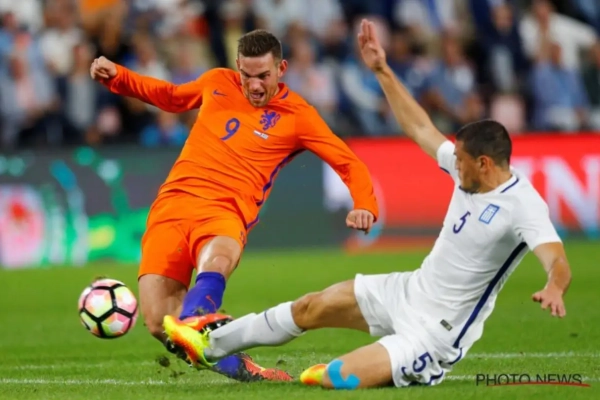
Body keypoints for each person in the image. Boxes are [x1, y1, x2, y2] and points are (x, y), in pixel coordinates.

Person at [162, 19, 572, 389]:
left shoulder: (523, 205)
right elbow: (420, 128)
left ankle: (364, 370)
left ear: (485, 164)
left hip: (436, 332)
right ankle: (209, 344)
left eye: (460, 161)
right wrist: (382, 70)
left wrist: (555, 286)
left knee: (332, 377)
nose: (453, 164)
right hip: (408, 290)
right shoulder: (468, 170)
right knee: (309, 307)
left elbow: (556, 259)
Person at [89, 29, 379, 382]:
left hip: (225, 212)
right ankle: (240, 366)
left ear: (282, 69)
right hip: (172, 206)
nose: (254, 86)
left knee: (217, 261)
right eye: (246, 75)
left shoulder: (299, 116)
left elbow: (347, 163)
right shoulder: (217, 82)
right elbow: (171, 97)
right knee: (158, 323)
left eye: (263, 76)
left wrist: (365, 204)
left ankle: (197, 316)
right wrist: (119, 77)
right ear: (237, 66)